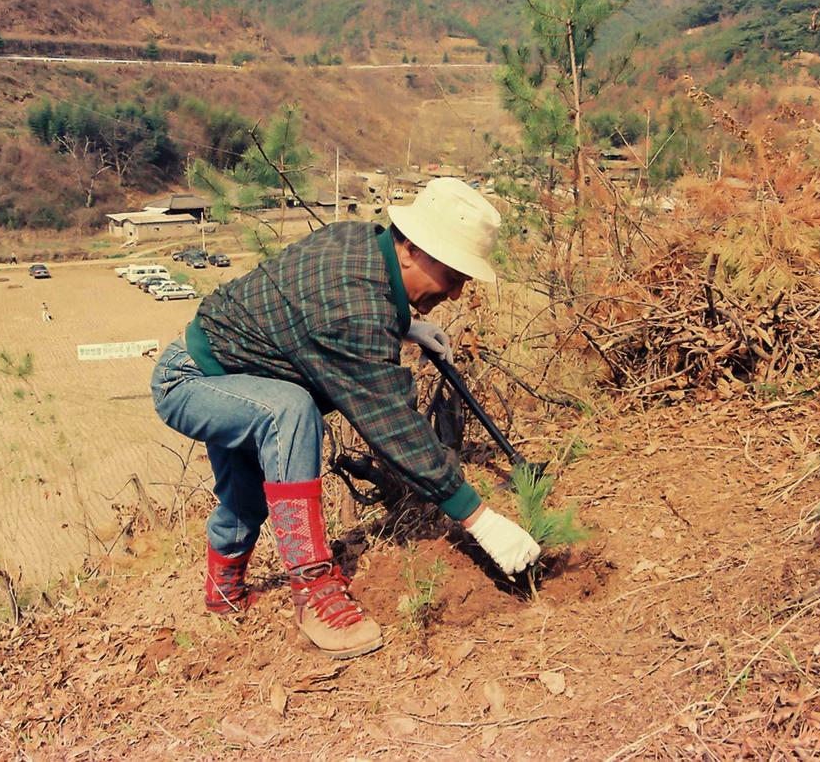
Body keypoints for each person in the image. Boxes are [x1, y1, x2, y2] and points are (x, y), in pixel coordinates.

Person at [150, 178, 541, 660]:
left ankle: (223, 593)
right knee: (290, 411)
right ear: (412, 250)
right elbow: (392, 423)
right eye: (453, 275)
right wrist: (481, 520)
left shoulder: (362, 244)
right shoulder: (351, 306)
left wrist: (405, 324)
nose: (458, 293)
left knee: (246, 498)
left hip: (238, 373)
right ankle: (313, 590)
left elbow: (321, 306)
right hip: (191, 382)